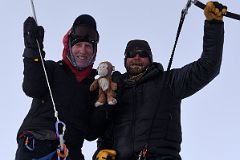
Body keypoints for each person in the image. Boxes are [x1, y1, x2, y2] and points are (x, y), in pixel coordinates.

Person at [93, 1, 227, 160]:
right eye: (131, 54)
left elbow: (208, 67)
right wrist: (101, 151)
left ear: (150, 59)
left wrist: (214, 25)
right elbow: (106, 128)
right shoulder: (116, 89)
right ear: (125, 59)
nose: (137, 57)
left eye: (142, 54)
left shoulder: (170, 81)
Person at [15, 14, 111, 160]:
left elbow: (92, 132)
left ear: (94, 51)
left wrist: (105, 104)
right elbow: (32, 88)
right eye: (78, 45)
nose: (83, 51)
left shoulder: (96, 86)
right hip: (38, 145)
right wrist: (33, 50)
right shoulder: (53, 69)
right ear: (69, 46)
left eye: (88, 46)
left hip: (71, 152)